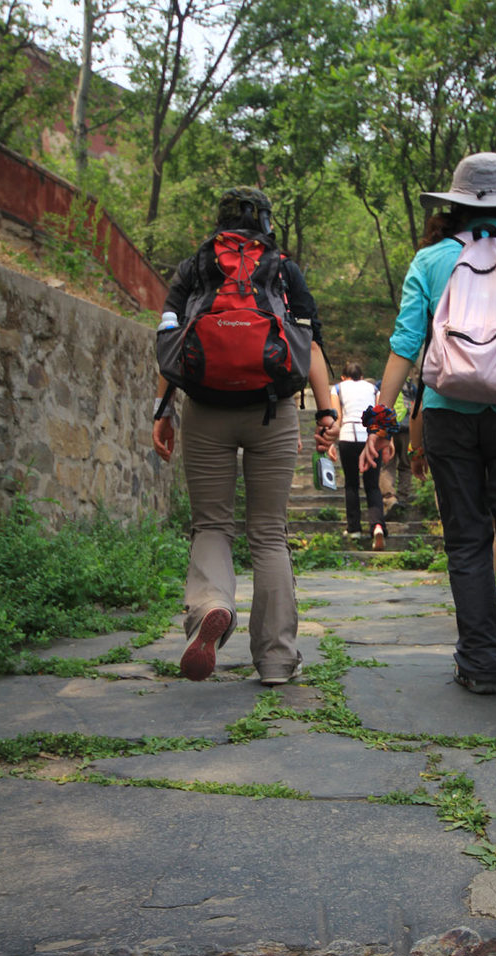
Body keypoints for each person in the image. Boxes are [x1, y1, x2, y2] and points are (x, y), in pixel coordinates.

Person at [360, 152, 496, 714]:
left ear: (454, 204)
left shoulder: (432, 259)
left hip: (448, 414)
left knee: (467, 540)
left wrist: (382, 425)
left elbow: (405, 347)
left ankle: (482, 665)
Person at [152, 185, 339, 686]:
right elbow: (310, 345)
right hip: (271, 411)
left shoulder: (195, 268)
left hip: (206, 409)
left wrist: (162, 411)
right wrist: (326, 411)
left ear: (220, 221)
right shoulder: (283, 270)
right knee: (269, 534)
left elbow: (170, 343)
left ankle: (211, 606)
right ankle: (276, 659)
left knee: (212, 525)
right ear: (267, 223)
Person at [328, 362, 387, 550]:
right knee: (373, 485)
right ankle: (377, 526)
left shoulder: (338, 388)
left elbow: (337, 418)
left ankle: (354, 528)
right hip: (371, 438)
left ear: (343, 377)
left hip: (348, 437)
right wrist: (388, 441)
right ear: (361, 377)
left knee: (352, 484)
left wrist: (330, 443)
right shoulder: (373, 388)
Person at [378, 371, 417, 520]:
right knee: (406, 465)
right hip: (408, 428)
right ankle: (403, 498)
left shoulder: (383, 383)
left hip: (391, 428)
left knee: (387, 464)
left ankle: (390, 497)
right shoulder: (411, 386)